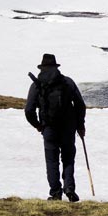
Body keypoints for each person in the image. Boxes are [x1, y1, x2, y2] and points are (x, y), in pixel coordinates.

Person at [25, 54, 86, 202]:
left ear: (42, 68)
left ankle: (55, 193)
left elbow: (29, 110)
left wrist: (38, 125)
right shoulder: (67, 82)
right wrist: (80, 125)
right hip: (68, 127)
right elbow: (80, 105)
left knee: (52, 160)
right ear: (56, 67)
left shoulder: (36, 85)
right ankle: (70, 189)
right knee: (68, 157)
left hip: (49, 128)